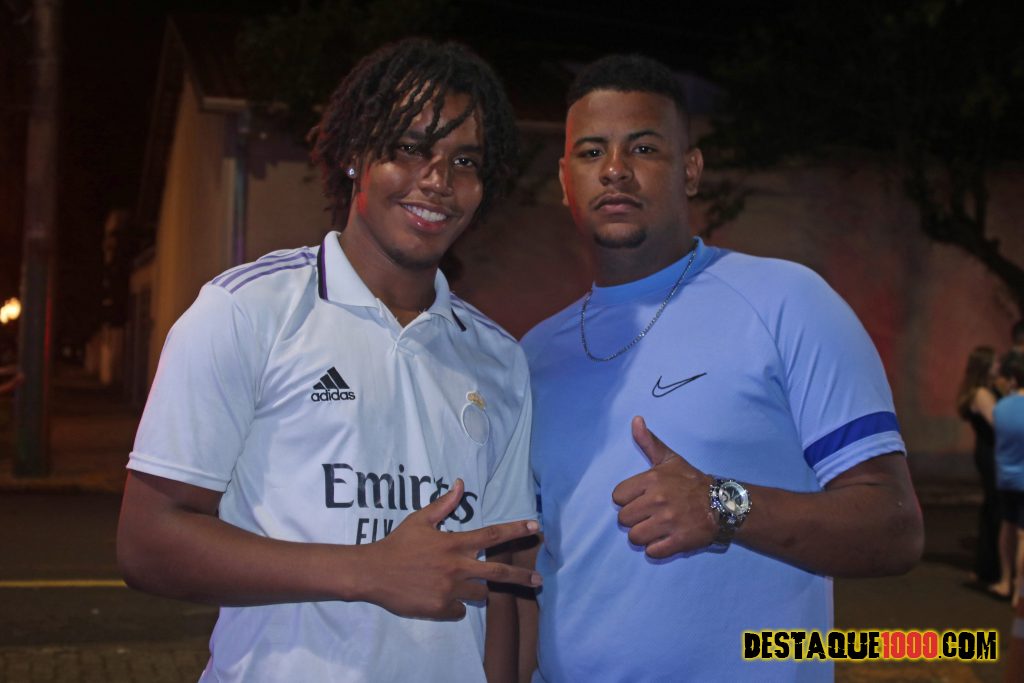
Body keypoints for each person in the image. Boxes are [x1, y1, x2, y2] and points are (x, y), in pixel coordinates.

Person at [117, 39, 541, 682]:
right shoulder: (247, 311)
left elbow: (504, 572)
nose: (438, 180)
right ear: (354, 155)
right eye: (410, 148)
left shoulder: (499, 358)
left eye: (465, 161)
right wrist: (368, 570)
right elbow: (148, 543)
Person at [519, 54, 924, 681]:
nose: (616, 169)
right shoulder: (532, 355)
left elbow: (894, 528)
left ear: (690, 170)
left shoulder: (786, 301)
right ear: (566, 179)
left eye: (644, 148)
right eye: (592, 152)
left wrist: (722, 505)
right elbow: (531, 564)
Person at [956, 345, 1002, 589]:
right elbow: (999, 422)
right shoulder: (982, 394)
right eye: (995, 362)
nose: (999, 366)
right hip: (990, 453)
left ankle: (986, 565)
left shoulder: (985, 390)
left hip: (989, 452)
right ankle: (989, 566)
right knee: (995, 507)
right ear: (985, 366)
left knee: (992, 507)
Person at [994, 351, 1024, 605]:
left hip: (1005, 477)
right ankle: (1019, 591)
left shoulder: (1001, 407)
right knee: (1023, 536)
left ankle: (1005, 580)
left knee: (1007, 527)